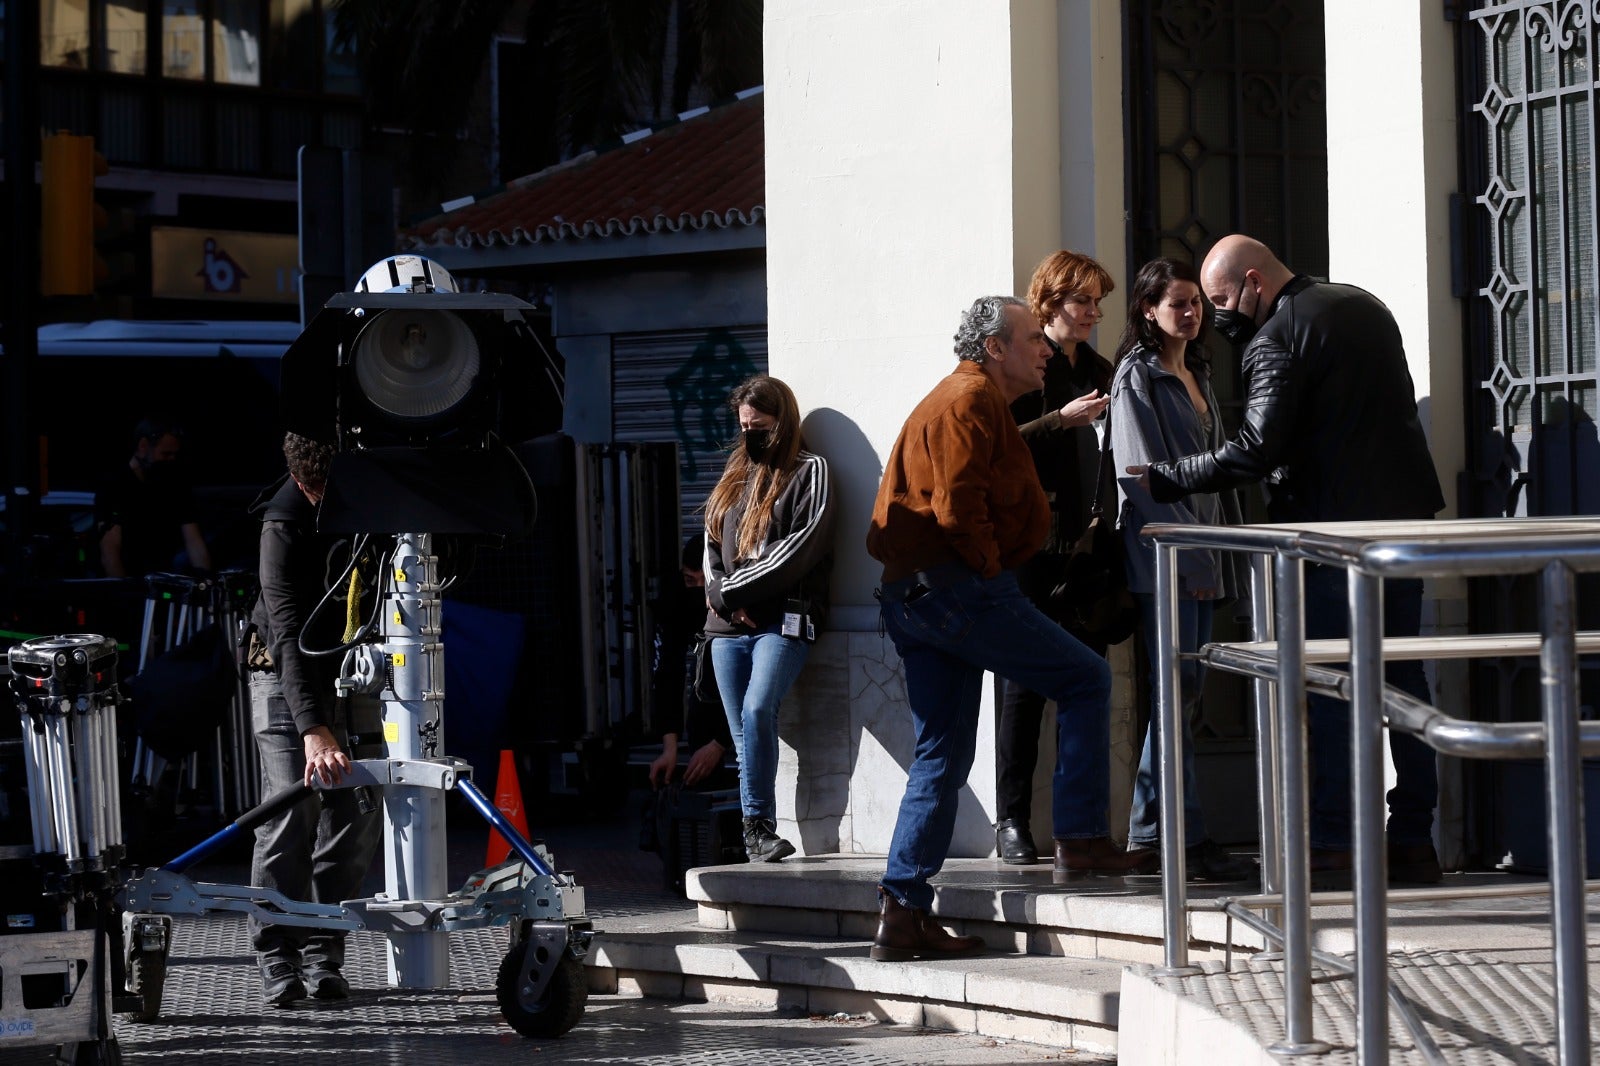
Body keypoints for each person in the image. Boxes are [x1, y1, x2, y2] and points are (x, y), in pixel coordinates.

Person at [1136, 234, 1445, 885]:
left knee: (1331, 688)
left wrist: (1170, 477)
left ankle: (1333, 841)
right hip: (1402, 523)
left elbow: (1253, 448)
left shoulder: (1276, 337)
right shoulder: (1365, 305)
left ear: (1252, 280)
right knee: (1403, 678)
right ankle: (1415, 836)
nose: (1221, 314)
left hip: (1330, 536)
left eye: (1222, 299)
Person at [867, 296, 1154, 964]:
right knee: (1085, 676)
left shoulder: (966, 397)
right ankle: (1080, 838)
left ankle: (902, 913)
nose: (1046, 350)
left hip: (919, 594)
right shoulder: (969, 399)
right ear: (994, 347)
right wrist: (992, 569)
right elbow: (957, 504)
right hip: (956, 588)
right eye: (1033, 339)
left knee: (941, 754)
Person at [1108, 257, 1251, 882]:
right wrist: (1191, 554)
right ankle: (1182, 837)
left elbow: (1219, 472)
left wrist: (1226, 548)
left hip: (1203, 553)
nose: (1191, 314)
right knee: (1176, 695)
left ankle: (1150, 833)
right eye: (1178, 304)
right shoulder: (1134, 378)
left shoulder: (1196, 368)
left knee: (1183, 695)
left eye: (1197, 303)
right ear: (1147, 310)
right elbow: (1137, 478)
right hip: (1164, 558)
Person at [245, 432, 381, 1006]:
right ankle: (278, 955)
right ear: (300, 483)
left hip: (353, 668)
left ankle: (327, 955)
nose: (327, 502)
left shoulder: (374, 502)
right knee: (290, 810)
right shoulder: (282, 526)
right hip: (284, 673)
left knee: (354, 814)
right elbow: (286, 634)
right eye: (317, 491)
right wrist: (313, 729)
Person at [992, 251, 1116, 866]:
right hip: (1028, 544)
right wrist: (1059, 421)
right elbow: (996, 445)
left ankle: (1079, 827)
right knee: (1022, 688)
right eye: (1081, 301)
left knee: (1086, 680)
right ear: (1048, 302)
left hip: (1086, 548)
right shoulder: (1024, 364)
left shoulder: (1100, 367)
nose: (1092, 313)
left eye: (1097, 303)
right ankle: (1010, 819)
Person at [703, 375, 836, 863]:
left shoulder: (811, 471)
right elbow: (713, 542)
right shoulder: (735, 475)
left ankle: (759, 828)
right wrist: (721, 595)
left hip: (784, 622)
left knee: (759, 711)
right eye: (744, 427)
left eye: (760, 427)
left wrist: (732, 591)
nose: (751, 436)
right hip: (727, 628)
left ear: (783, 422)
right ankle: (755, 832)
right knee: (743, 735)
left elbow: (797, 550)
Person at [649, 533, 735, 790]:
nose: (697, 588)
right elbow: (667, 669)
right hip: (705, 683)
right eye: (690, 580)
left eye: (703, 582)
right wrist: (670, 747)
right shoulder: (676, 595)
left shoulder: (733, 593)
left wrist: (720, 743)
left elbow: (753, 679)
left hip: (736, 679)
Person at [96, 416, 211, 578]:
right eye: (165, 454)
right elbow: (110, 550)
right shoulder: (114, 486)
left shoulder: (175, 485)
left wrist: (205, 582)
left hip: (164, 584)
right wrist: (121, 593)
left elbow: (194, 541)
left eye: (174, 455)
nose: (171, 460)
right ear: (143, 446)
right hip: (131, 583)